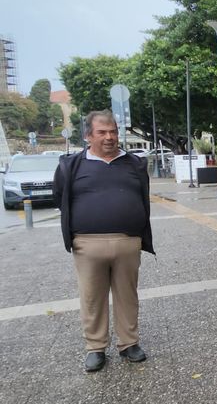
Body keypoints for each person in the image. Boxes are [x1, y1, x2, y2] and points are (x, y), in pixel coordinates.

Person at [53, 110, 154, 372]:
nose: (109, 137)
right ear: (88, 136)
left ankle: (129, 343)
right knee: (92, 298)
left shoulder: (134, 164)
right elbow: (60, 198)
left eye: (113, 132)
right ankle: (95, 348)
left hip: (127, 243)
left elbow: (142, 195)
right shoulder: (71, 165)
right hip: (87, 245)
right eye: (102, 132)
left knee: (128, 296)